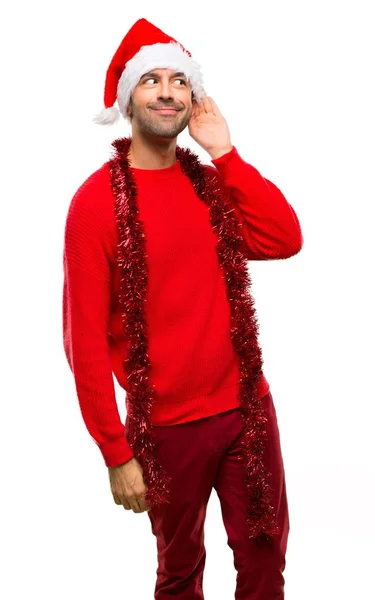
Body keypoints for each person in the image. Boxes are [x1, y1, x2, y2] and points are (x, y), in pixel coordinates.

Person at [62, 17, 303, 600]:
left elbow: (283, 238)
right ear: (129, 99)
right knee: (179, 572)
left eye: (179, 81)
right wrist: (116, 452)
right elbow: (84, 341)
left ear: (193, 98)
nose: (167, 92)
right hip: (168, 428)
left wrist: (225, 151)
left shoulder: (210, 185)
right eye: (151, 80)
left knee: (266, 559)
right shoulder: (95, 205)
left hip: (248, 408)